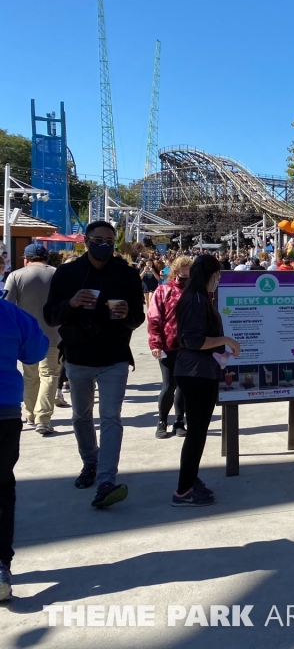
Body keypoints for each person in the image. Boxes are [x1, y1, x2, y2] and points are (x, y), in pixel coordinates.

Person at [43, 220, 146, 508]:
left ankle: (106, 478)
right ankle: (90, 461)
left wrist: (127, 314)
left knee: (111, 417)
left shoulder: (126, 274)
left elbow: (138, 318)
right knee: (80, 415)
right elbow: (51, 316)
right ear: (86, 241)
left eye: (110, 241)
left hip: (114, 357)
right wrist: (72, 303)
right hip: (78, 355)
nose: (104, 245)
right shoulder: (67, 273)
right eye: (98, 239)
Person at [171, 255, 237, 507]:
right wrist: (226, 341)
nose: (218, 280)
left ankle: (190, 479)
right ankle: (183, 490)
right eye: (217, 275)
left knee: (197, 432)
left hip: (198, 370)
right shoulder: (197, 299)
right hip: (195, 373)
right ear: (212, 275)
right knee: (196, 433)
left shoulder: (196, 297)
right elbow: (194, 340)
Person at [0, 297, 49, 601]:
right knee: (2, 487)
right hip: (4, 412)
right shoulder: (9, 313)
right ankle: (1, 565)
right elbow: (36, 351)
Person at [3, 244, 61, 434]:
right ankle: (43, 418)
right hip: (54, 334)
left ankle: (29, 414)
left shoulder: (16, 276)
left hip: (26, 337)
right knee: (50, 376)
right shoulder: (58, 274)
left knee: (30, 376)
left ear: (26, 259)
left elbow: (7, 307)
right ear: (46, 258)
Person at [148, 255, 192, 439]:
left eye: (189, 276)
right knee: (169, 385)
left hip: (190, 346)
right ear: (175, 273)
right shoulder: (163, 290)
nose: (185, 280)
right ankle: (162, 420)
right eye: (182, 276)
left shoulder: (196, 292)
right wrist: (155, 343)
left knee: (183, 385)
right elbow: (154, 318)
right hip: (168, 343)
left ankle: (179, 421)